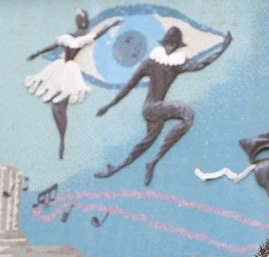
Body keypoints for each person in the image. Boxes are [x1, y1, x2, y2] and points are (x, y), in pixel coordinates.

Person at [95, 26, 232, 185]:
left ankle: (132, 166)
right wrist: (109, 105)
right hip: (151, 107)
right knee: (187, 113)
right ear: (164, 43)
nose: (169, 46)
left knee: (145, 143)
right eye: (167, 42)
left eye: (173, 44)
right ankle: (148, 162)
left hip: (158, 110)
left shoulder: (177, 63)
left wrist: (223, 48)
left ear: (177, 45)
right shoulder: (150, 63)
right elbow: (129, 85)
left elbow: (201, 64)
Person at [24, 11, 120, 159]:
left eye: (82, 19)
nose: (81, 22)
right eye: (79, 19)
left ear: (85, 21)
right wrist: (37, 53)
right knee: (56, 106)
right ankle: (62, 138)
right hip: (61, 67)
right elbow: (53, 46)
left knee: (60, 104)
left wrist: (111, 24)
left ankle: (62, 140)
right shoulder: (68, 36)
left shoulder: (84, 38)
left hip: (70, 70)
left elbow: (99, 34)